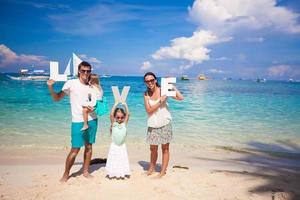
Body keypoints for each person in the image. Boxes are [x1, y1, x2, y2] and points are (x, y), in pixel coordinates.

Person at [47, 61, 99, 182]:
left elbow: (96, 102)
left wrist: (94, 107)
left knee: (89, 147)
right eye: (83, 71)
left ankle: (85, 171)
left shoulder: (92, 85)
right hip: (77, 121)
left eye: (88, 71)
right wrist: (50, 87)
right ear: (79, 71)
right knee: (75, 149)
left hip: (92, 119)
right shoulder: (71, 83)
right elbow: (56, 98)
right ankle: (66, 174)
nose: (86, 73)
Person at [143, 72, 183, 178]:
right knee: (153, 149)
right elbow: (149, 111)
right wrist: (160, 102)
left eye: (152, 80)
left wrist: (171, 85)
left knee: (165, 148)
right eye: (147, 81)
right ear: (145, 83)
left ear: (156, 80)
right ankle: (151, 168)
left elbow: (180, 98)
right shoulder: (146, 94)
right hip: (152, 124)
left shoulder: (164, 90)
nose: (150, 83)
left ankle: (162, 171)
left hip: (165, 122)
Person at [105, 102, 130, 179]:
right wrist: (115, 105)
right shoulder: (114, 124)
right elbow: (111, 115)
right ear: (115, 117)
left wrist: (125, 105)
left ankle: (122, 173)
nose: (120, 119)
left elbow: (128, 114)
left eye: (122, 117)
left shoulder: (124, 124)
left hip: (122, 146)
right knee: (114, 159)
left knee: (122, 159)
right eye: (118, 117)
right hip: (114, 146)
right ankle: (113, 173)